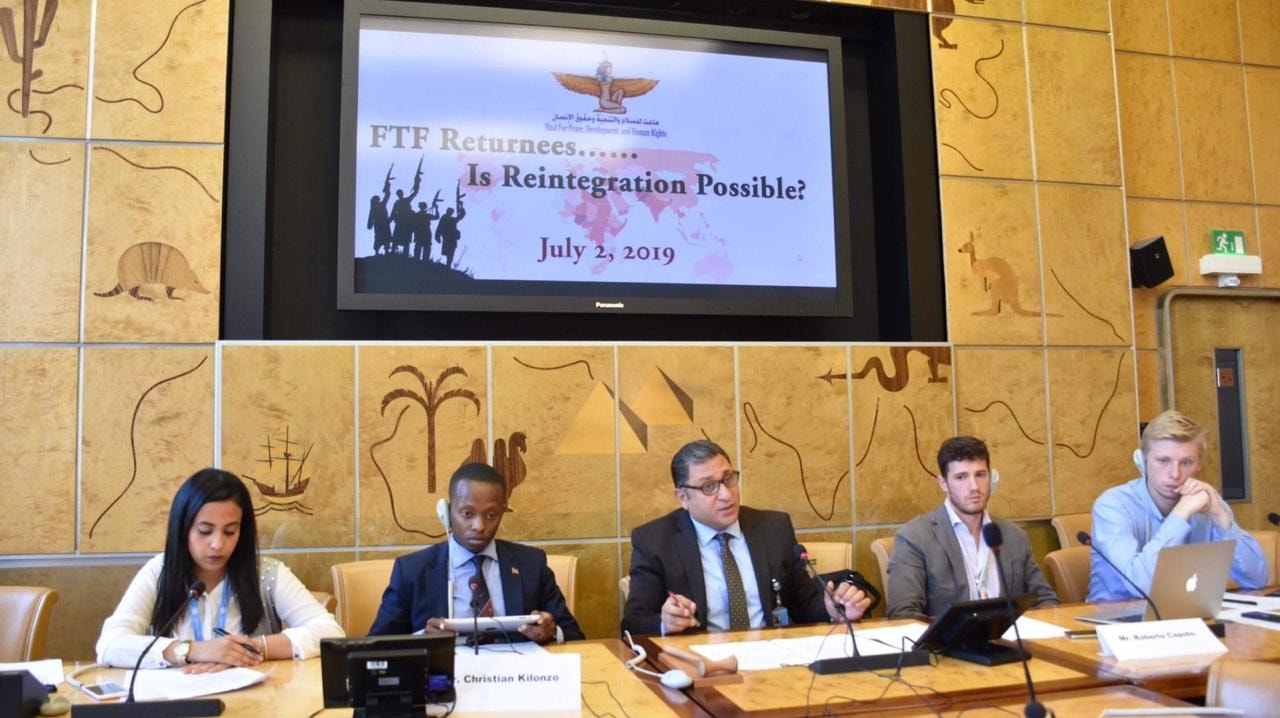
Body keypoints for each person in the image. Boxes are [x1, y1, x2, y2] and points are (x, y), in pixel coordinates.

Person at [96, 469, 343, 671]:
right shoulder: (159, 572)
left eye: (230, 531)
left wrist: (246, 649)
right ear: (183, 528)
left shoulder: (267, 573)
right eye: (205, 531)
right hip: (178, 703)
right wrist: (193, 651)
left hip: (254, 702)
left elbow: (331, 633)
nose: (217, 544)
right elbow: (110, 644)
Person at [622, 440, 870, 636]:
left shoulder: (773, 528)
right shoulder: (655, 541)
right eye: (709, 487)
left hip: (773, 658)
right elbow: (633, 622)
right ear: (683, 498)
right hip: (704, 665)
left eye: (729, 479)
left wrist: (832, 610)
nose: (726, 495)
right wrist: (665, 622)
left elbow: (803, 604)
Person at [369, 462, 584, 643]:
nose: (479, 526)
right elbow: (376, 646)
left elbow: (575, 636)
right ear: (447, 512)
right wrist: (423, 639)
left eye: (491, 515)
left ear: (502, 512)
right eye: (467, 513)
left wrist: (551, 631)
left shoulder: (531, 564)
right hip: (444, 676)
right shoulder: (411, 571)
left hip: (514, 675)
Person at [1088, 410, 1268, 601]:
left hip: (1188, 611)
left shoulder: (1207, 503)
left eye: (1186, 462)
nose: (1175, 474)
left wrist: (1222, 519)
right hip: (1116, 614)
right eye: (1163, 461)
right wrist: (1180, 514)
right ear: (1142, 461)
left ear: (1199, 465)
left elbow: (1257, 579)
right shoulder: (1113, 506)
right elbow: (1142, 587)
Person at [886, 436, 1059, 619]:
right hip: (949, 638)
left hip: (1009, 635)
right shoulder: (915, 537)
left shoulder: (1014, 535)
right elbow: (902, 614)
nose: (974, 487)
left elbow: (1046, 600)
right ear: (943, 483)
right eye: (961, 477)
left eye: (980, 475)